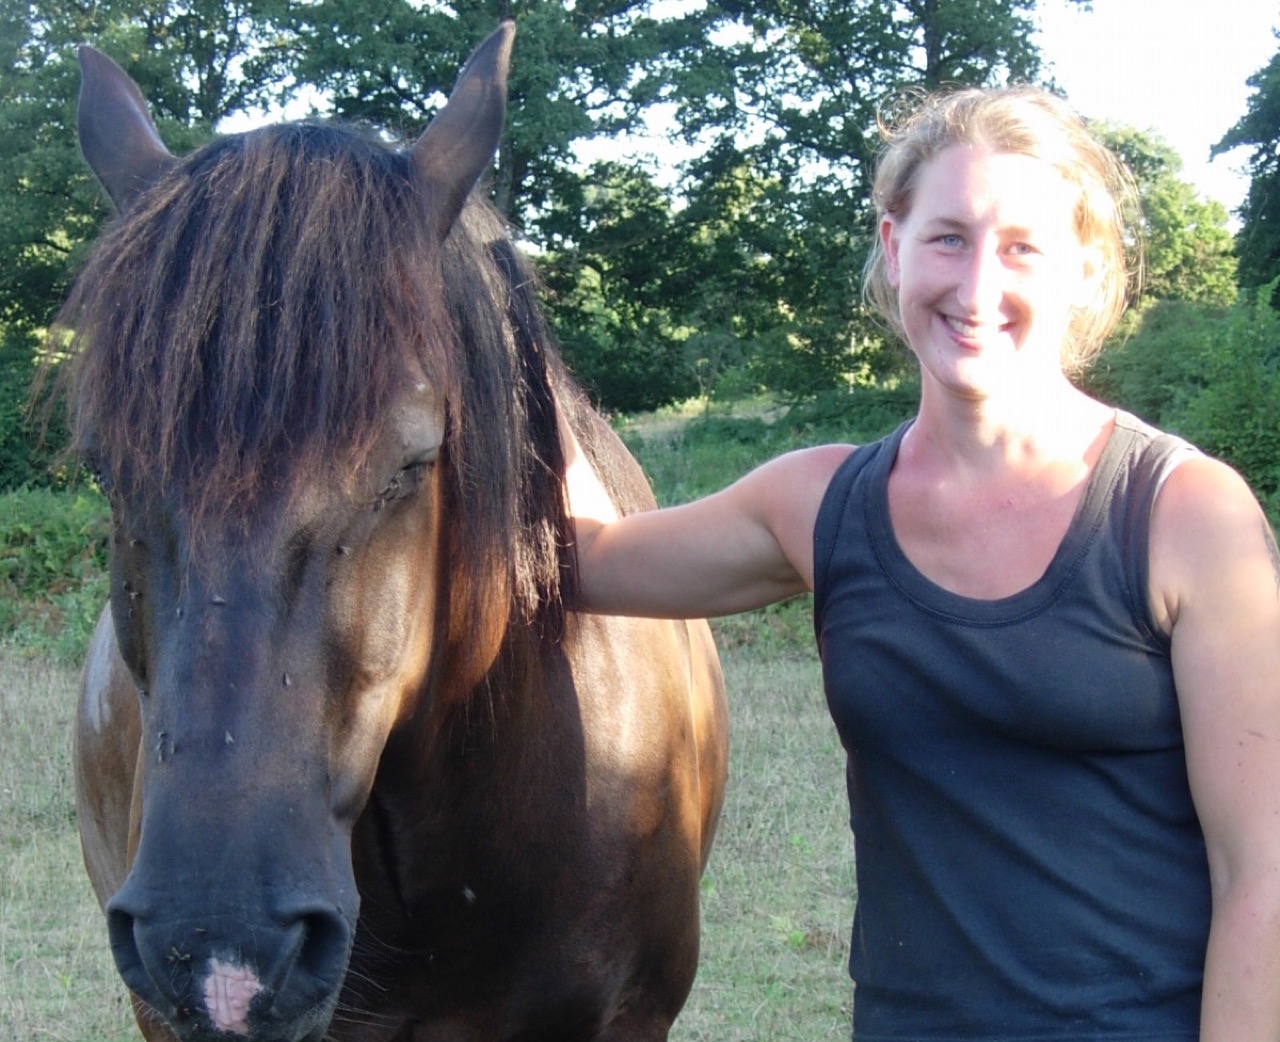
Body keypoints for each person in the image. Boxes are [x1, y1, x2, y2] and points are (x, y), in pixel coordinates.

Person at [561, 84, 1280, 1041]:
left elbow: (1262, 876)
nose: (978, 286)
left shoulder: (1182, 513)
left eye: (1022, 246)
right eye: (948, 238)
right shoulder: (818, 508)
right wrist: (492, 338)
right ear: (895, 248)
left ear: (1084, 270)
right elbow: (581, 560)